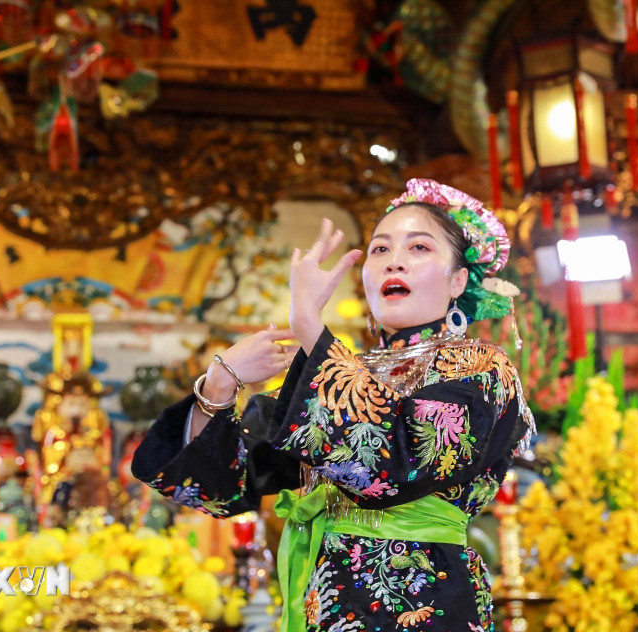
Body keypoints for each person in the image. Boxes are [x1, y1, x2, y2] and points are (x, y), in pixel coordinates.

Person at [132, 178, 534, 632]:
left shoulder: (479, 367)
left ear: (458, 279)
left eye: (419, 247)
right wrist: (220, 384)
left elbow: (395, 464)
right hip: (325, 603)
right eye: (380, 249)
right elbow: (223, 484)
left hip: (425, 601)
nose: (394, 260)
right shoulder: (341, 371)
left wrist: (309, 325)